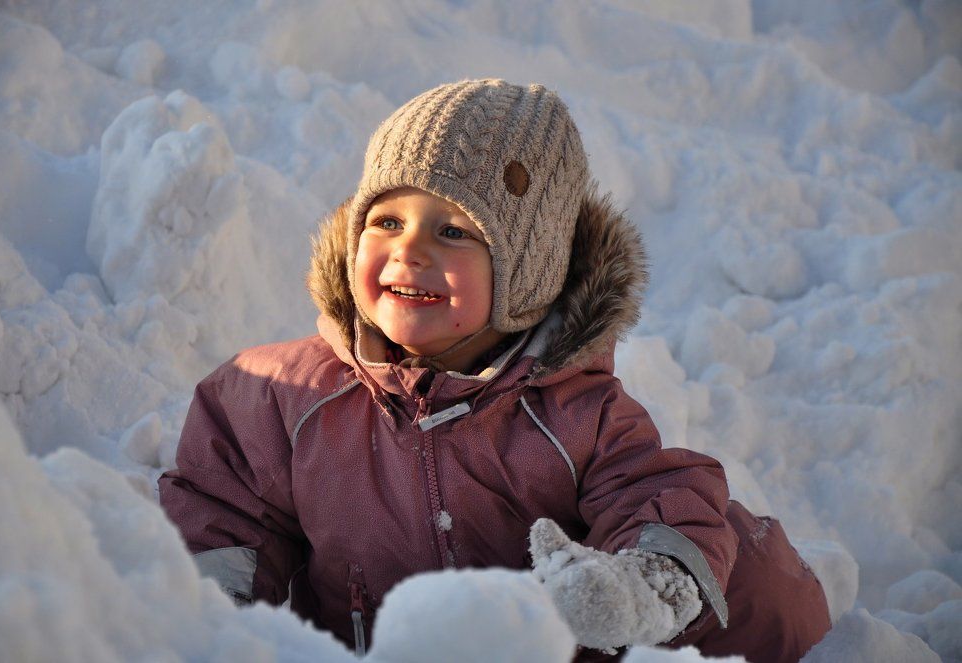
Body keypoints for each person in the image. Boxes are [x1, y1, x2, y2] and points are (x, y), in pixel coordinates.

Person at [159, 79, 831, 661]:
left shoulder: (575, 414)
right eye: (386, 220)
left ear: (528, 272)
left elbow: (654, 493)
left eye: (453, 230)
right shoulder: (283, 397)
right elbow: (224, 509)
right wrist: (218, 623)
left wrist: (632, 589)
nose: (409, 250)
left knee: (748, 563)